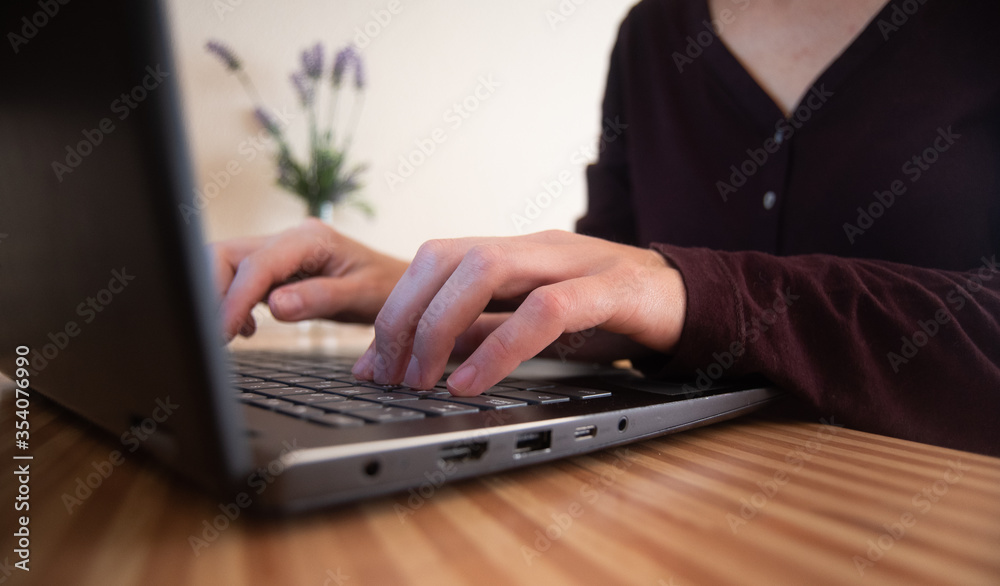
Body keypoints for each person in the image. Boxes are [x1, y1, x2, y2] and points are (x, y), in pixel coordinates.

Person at [213, 0, 1000, 456]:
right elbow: (616, 294)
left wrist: (693, 291)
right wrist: (405, 291)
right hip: (680, 500)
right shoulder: (653, 35)